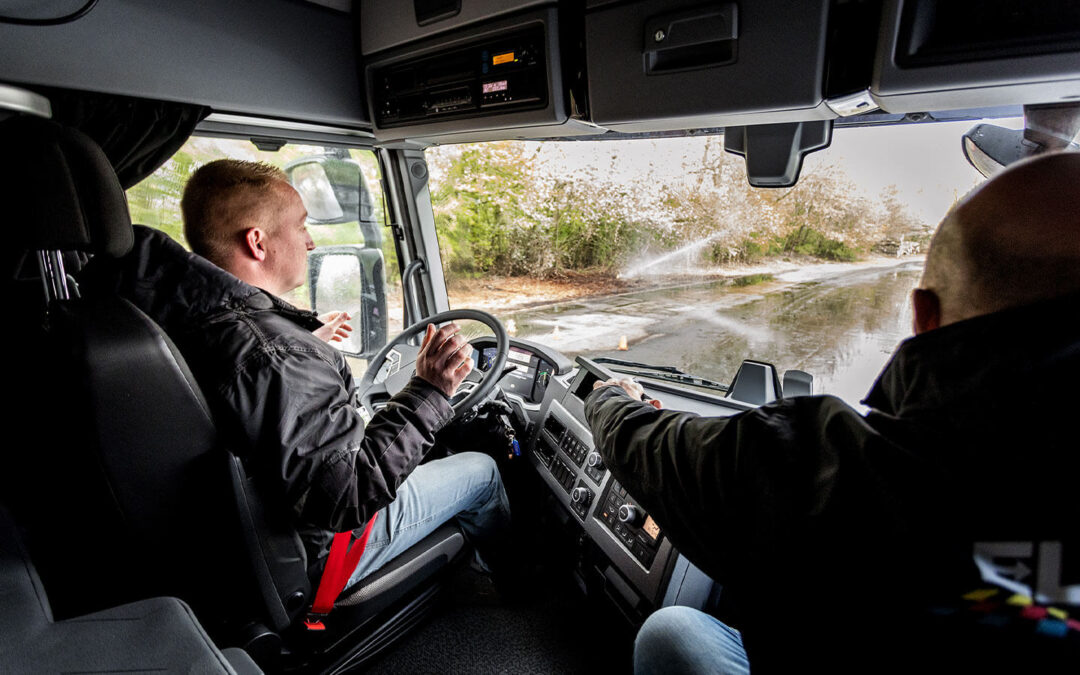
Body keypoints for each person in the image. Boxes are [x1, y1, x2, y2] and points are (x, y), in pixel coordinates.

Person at [586, 152, 1080, 673]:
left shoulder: (821, 469)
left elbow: (651, 448)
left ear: (923, 317)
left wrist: (609, 397)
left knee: (671, 630)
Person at [98, 159, 511, 589]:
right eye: (300, 226)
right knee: (481, 470)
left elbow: (259, 382)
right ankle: (514, 591)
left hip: (233, 547)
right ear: (257, 242)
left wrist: (305, 340)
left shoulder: (178, 315)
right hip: (320, 550)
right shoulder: (276, 354)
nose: (310, 242)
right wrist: (429, 390)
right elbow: (349, 497)